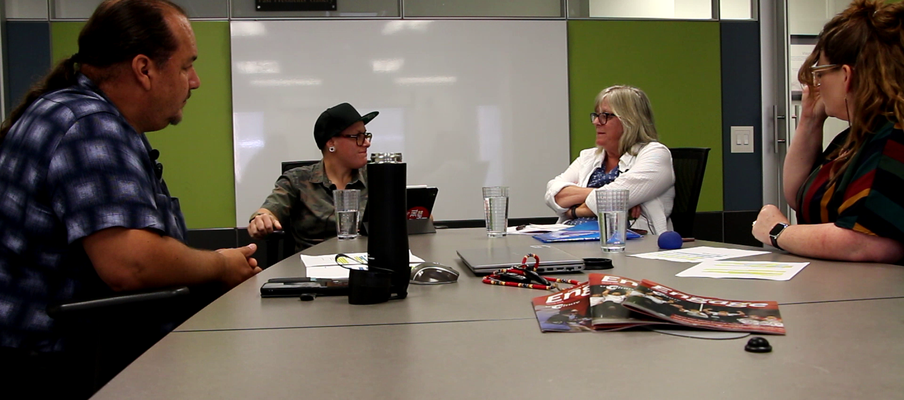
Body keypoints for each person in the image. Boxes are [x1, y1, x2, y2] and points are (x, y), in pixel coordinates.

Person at [0, 0, 261, 398]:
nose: (195, 82)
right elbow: (131, 264)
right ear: (144, 69)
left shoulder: (73, 112)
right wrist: (219, 264)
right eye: (186, 66)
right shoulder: (89, 127)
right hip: (55, 368)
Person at [752, 0, 904, 263]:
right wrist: (810, 120)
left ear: (846, 76)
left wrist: (777, 232)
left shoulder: (893, 139)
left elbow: (866, 242)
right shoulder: (852, 139)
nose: (817, 84)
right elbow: (800, 196)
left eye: (821, 73)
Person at [545, 85, 675, 234]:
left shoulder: (655, 154)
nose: (596, 122)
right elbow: (553, 195)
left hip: (627, 245)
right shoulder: (588, 156)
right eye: (597, 115)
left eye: (606, 115)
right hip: (571, 237)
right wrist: (618, 201)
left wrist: (574, 211)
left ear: (630, 120)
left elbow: (609, 200)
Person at [248, 103, 376, 251]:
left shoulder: (377, 178)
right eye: (357, 136)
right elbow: (270, 210)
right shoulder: (297, 180)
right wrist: (261, 219)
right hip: (311, 267)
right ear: (331, 142)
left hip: (366, 264)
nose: (366, 143)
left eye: (365, 135)